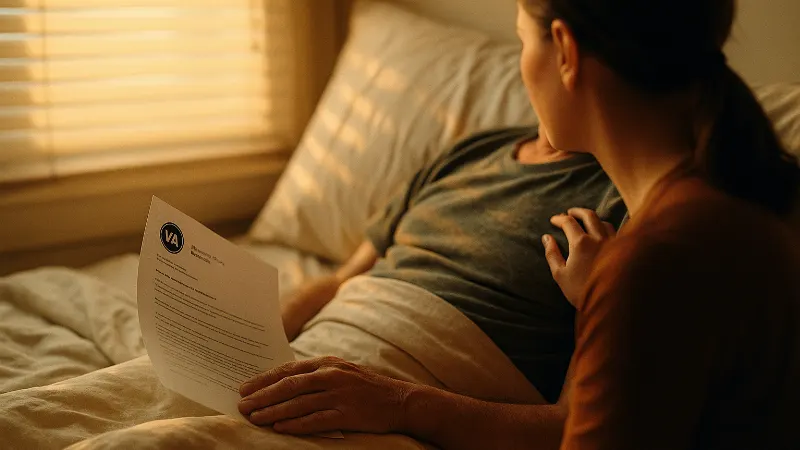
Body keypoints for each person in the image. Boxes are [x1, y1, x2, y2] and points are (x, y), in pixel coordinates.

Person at [239, 1, 799, 449]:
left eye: (523, 41)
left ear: (565, 52)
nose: (520, 68)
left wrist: (398, 401)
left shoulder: (652, 256)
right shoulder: (721, 208)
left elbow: (571, 424)